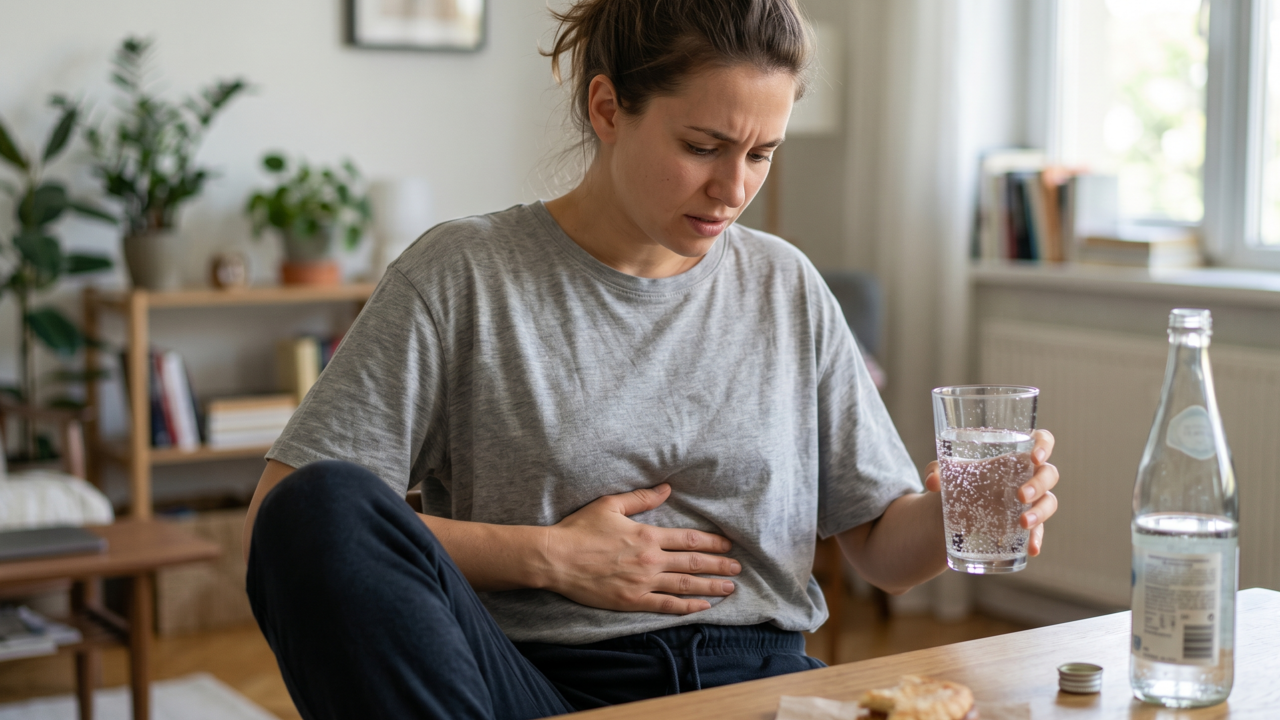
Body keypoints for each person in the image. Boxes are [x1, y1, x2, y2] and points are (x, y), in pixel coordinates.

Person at [242, 1, 1060, 718]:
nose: (732, 188)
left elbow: (883, 551)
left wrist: (967, 509)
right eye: (703, 145)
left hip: (760, 690)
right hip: (532, 688)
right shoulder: (463, 274)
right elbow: (280, 523)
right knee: (322, 505)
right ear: (607, 107)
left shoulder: (785, 284)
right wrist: (549, 558)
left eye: (762, 153)